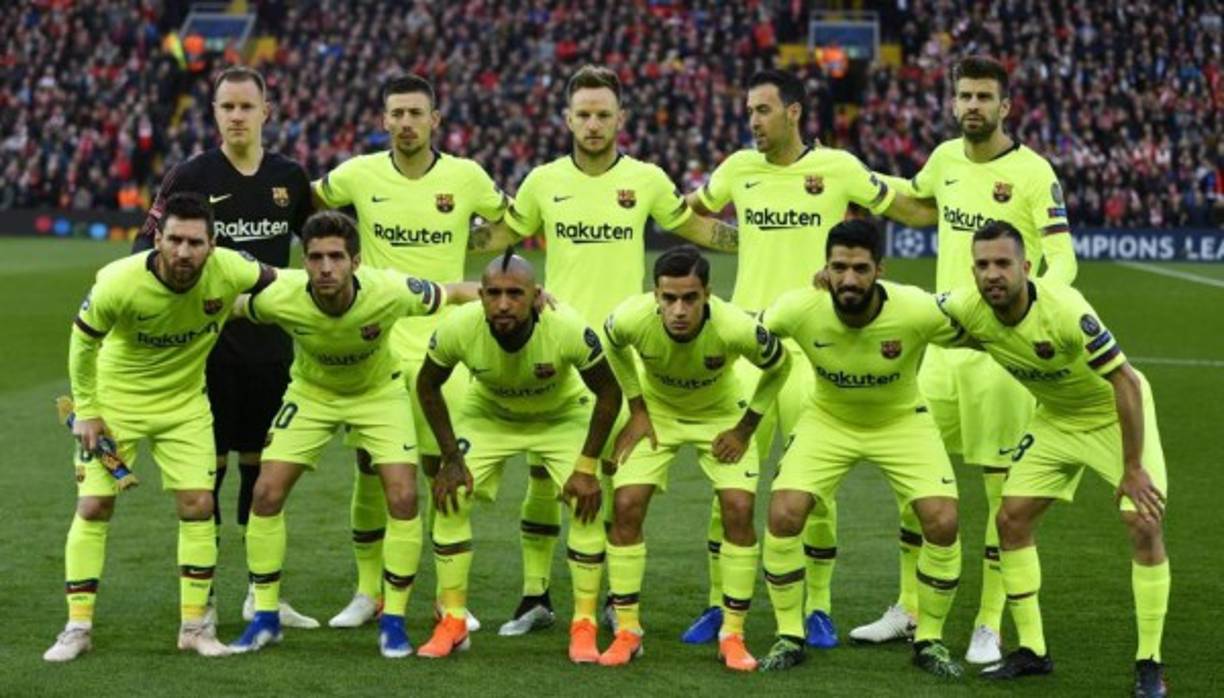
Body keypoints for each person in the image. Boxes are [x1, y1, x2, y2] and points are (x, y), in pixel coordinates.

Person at [683, 68, 934, 647]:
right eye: (749, 110)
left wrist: (955, 189)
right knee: (732, 484)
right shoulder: (737, 170)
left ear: (794, 112)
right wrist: (735, 239)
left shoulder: (840, 169)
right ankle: (722, 603)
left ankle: (817, 607)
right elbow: (686, 212)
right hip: (748, 347)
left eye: (763, 110)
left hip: (817, 352)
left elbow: (908, 207)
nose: (753, 120)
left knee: (815, 489)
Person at [492, 64, 737, 636]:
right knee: (541, 478)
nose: (594, 124)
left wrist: (770, 238)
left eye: (604, 114)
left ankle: (608, 597)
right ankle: (535, 597)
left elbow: (697, 230)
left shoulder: (646, 179)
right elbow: (500, 237)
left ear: (621, 119)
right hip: (555, 345)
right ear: (567, 119)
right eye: (584, 114)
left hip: (624, 350)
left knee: (611, 477)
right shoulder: (542, 181)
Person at [855, 55, 1078, 666]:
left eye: (984, 96)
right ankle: (910, 609)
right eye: (964, 96)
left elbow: (1062, 259)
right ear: (953, 103)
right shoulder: (945, 160)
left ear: (1006, 106)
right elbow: (917, 205)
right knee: (912, 480)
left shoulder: (1034, 173)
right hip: (941, 346)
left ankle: (989, 624)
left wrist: (1042, 308)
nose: (973, 105)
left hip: (1000, 357)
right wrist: (860, 179)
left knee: (1001, 495)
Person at [226, 210, 480, 657]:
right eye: (316, 257)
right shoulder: (281, 294)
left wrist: (528, 295)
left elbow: (456, 291)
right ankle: (265, 617)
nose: (326, 267)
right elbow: (226, 305)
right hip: (312, 393)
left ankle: (394, 622)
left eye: (336, 257)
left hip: (378, 393)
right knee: (265, 493)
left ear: (355, 262)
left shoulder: (390, 290)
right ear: (303, 261)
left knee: (403, 497)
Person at [311, 73, 514, 630]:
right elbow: (309, 202)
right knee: (369, 466)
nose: (405, 123)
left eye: (415, 114)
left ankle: (450, 599)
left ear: (434, 121)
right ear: (384, 120)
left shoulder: (466, 178)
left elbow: (512, 222)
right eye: (396, 113)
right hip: (375, 341)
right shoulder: (358, 173)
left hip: (442, 345)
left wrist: (462, 243)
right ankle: (367, 591)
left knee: (441, 465)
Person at [938, 222, 1168, 697]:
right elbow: (909, 308)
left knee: (1143, 522)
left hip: (1113, 414)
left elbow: (1124, 382)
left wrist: (1132, 468)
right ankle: (1033, 651)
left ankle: (1150, 661)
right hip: (1056, 420)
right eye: (982, 265)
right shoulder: (971, 308)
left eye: (1003, 263)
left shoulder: (1064, 310)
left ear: (1026, 266)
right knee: (1011, 519)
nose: (992, 274)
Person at [44, 192, 276, 662]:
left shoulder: (231, 269)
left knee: (198, 504)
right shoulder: (118, 282)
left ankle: (194, 627)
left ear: (212, 245)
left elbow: (284, 283)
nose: (184, 252)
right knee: (93, 506)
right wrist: (87, 409)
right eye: (174, 240)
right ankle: (77, 627)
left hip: (184, 405)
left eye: (195, 242)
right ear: (158, 238)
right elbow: (82, 343)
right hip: (116, 404)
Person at [134, 66, 316, 628]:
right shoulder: (192, 174)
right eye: (226, 107)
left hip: (271, 349)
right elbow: (148, 246)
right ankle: (205, 599)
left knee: (262, 475)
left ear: (267, 111)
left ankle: (262, 597)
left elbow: (319, 247)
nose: (236, 116)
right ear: (213, 113)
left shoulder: (290, 176)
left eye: (246, 106)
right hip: (205, 352)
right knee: (206, 475)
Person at [756, 219, 968, 679]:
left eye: (859, 268)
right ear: (825, 268)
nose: (848, 279)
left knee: (942, 519)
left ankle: (929, 638)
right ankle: (789, 634)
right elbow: (743, 333)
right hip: (828, 420)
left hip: (901, 421)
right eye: (839, 267)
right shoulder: (798, 309)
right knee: (784, 512)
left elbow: (980, 327)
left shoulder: (914, 308)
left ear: (879, 270)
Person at [415, 250, 622, 663]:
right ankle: (453, 621)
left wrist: (585, 468)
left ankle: (583, 626)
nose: (503, 303)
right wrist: (451, 458)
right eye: (493, 293)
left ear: (536, 295)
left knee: (585, 502)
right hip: (490, 414)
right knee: (451, 494)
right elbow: (427, 386)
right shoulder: (459, 326)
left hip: (561, 416)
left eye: (515, 293)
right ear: (480, 295)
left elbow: (609, 393)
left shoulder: (566, 328)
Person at [597, 245, 791, 671]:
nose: (679, 309)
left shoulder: (735, 327)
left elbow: (781, 365)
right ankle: (628, 630)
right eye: (669, 298)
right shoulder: (630, 318)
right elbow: (611, 346)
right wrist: (638, 408)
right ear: (655, 296)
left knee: (739, 509)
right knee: (626, 505)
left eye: (690, 298)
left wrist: (745, 428)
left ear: (707, 294)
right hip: (658, 415)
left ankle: (733, 635)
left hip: (721, 418)